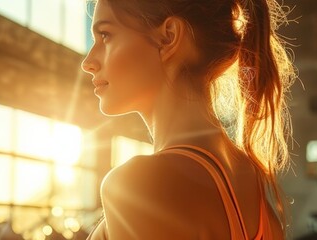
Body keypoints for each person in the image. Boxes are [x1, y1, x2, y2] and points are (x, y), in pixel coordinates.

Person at [80, 0, 295, 239]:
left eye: (105, 35)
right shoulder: (249, 177)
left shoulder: (139, 186)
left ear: (168, 37)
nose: (88, 62)